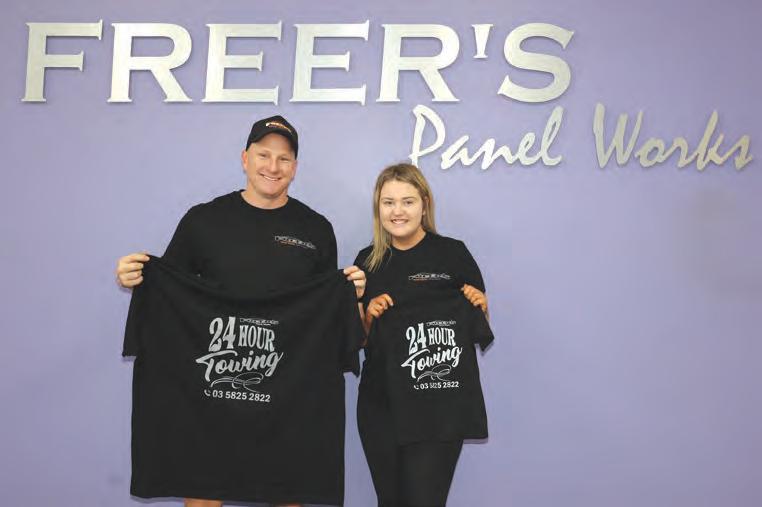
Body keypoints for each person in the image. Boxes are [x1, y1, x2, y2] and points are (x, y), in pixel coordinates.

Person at [115, 115, 366, 507]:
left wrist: (351, 294)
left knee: (287, 494)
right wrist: (138, 277)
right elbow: (171, 296)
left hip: (288, 397)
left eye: (284, 159)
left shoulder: (316, 229)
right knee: (203, 494)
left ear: (295, 167)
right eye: (264, 155)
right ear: (245, 158)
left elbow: (323, 320)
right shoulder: (203, 220)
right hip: (208, 394)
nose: (273, 166)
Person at [354, 163, 488, 507]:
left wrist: (481, 305)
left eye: (408, 201)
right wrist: (367, 315)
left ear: (424, 205)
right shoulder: (367, 262)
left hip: (438, 404)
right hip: (381, 405)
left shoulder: (453, 254)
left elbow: (475, 325)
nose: (397, 211)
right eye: (388, 202)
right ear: (378, 208)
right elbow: (359, 340)